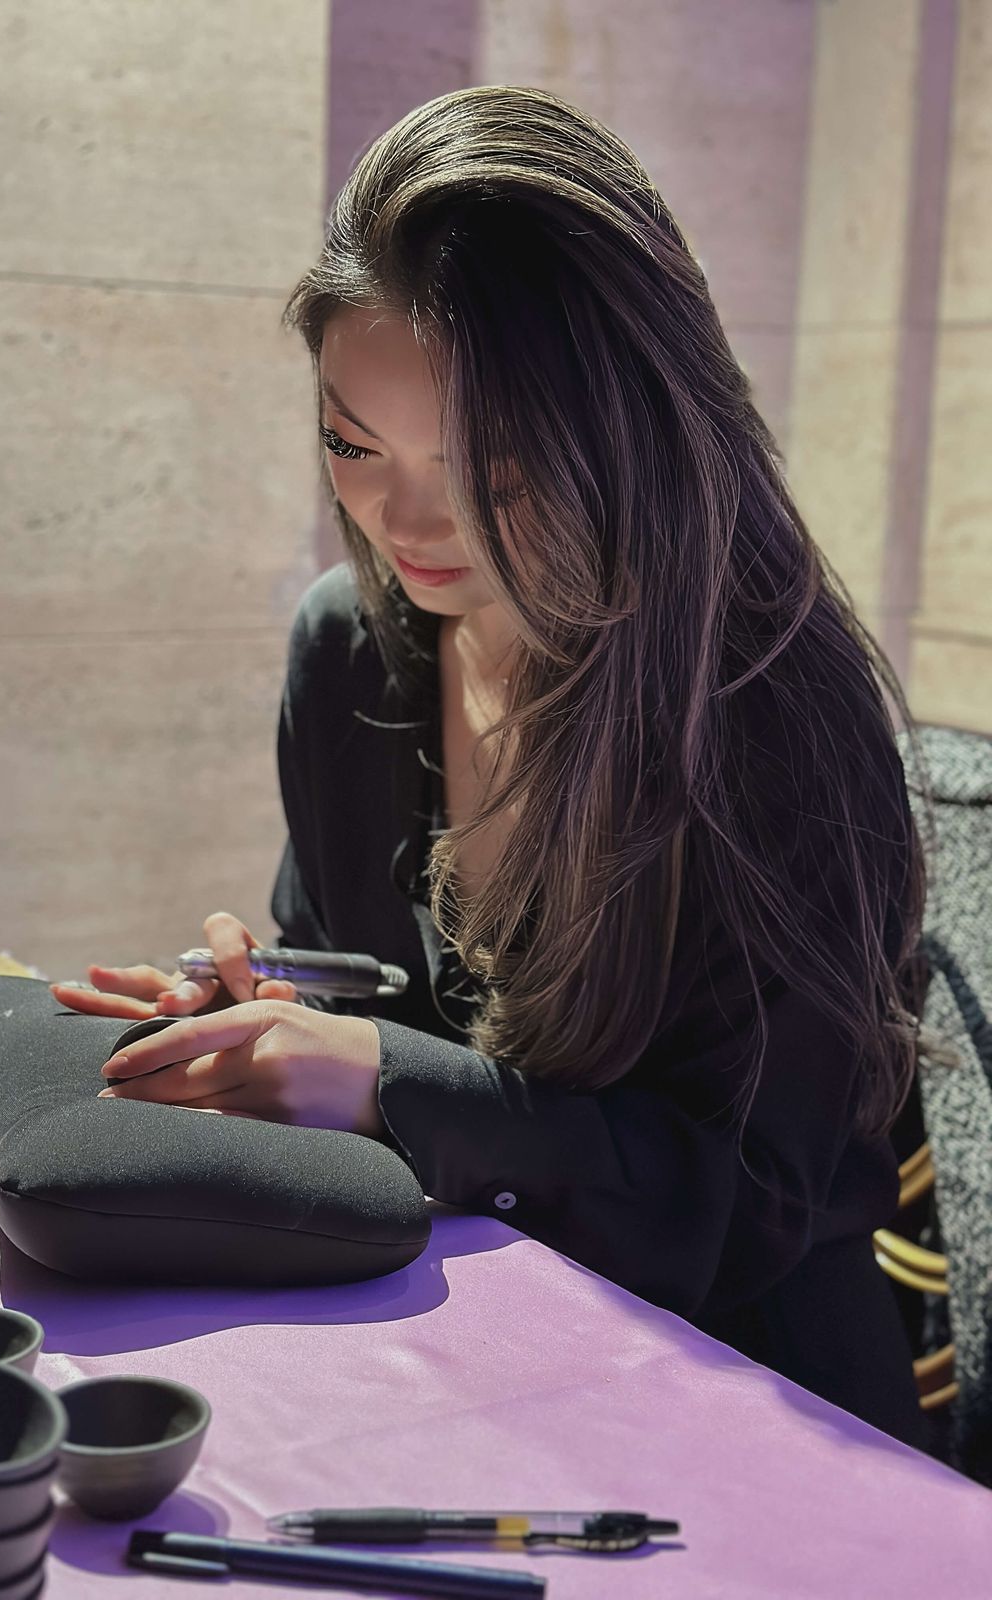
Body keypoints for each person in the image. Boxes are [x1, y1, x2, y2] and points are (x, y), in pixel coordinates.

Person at [52, 86, 927, 1446]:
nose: (406, 518)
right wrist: (261, 1011)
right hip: (465, 1344)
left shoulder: (769, 712)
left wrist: (381, 1079)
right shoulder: (349, 650)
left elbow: (761, 1198)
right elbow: (360, 973)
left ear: (628, 432)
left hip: (745, 1397)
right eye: (354, 444)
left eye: (498, 466)